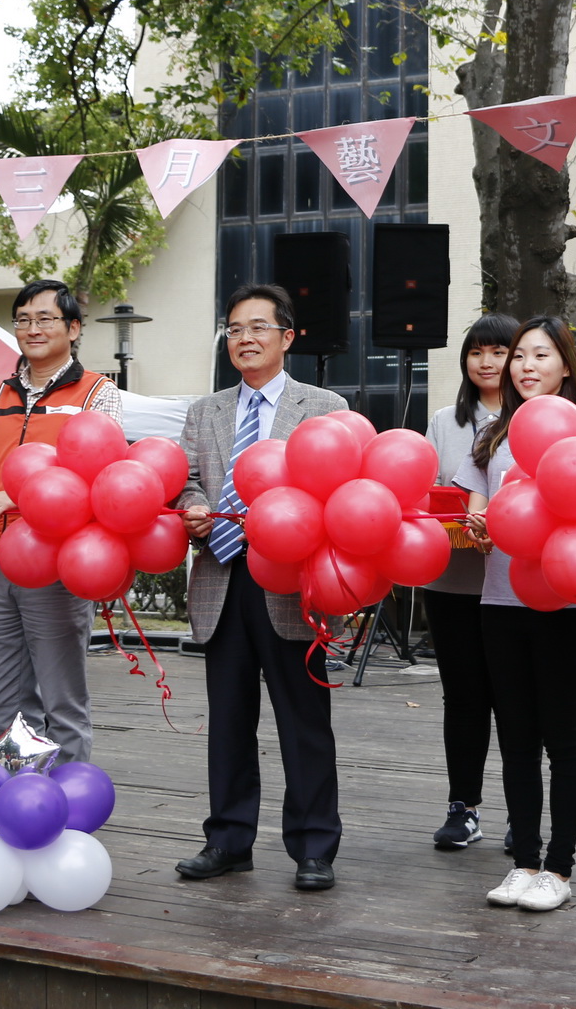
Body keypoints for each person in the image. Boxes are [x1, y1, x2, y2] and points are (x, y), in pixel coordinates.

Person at [174, 283, 348, 892]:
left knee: (303, 720)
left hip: (292, 583)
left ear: (287, 337)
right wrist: (194, 507)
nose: (244, 339)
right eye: (234, 329)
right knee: (228, 721)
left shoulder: (325, 407)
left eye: (257, 328)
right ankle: (227, 840)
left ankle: (313, 846)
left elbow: (344, 489)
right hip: (222, 575)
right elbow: (187, 478)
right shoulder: (205, 411)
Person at [455, 315, 576, 914]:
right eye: (519, 356)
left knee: (560, 737)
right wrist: (475, 526)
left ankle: (559, 868)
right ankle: (523, 863)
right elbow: (474, 510)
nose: (525, 365)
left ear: (566, 365)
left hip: (567, 603)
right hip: (500, 602)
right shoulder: (491, 433)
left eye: (541, 355)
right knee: (515, 738)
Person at [0, 280, 122, 760]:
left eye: (46, 318)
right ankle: (16, 804)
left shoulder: (98, 392)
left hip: (57, 561)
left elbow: (96, 476)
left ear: (73, 328)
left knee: (61, 698)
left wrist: (12, 497)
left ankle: (69, 809)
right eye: (23, 319)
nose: (33, 328)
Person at [423, 312, 517, 851]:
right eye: (476, 351)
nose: (486, 361)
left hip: (513, 583)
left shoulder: (535, 419)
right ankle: (463, 807)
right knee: (462, 696)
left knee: (513, 697)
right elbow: (429, 488)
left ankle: (518, 812)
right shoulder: (443, 420)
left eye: (498, 351)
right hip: (452, 580)